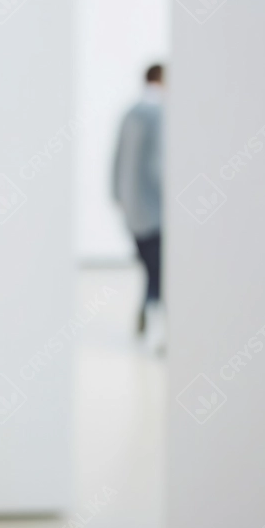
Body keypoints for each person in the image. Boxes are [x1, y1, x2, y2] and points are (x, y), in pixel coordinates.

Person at [112, 63, 164, 350]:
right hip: (154, 210)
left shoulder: (130, 113)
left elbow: (116, 157)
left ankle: (147, 312)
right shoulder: (159, 114)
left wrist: (117, 195)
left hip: (133, 208)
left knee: (153, 269)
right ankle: (156, 325)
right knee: (159, 271)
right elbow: (159, 166)